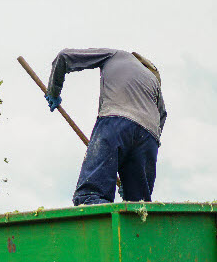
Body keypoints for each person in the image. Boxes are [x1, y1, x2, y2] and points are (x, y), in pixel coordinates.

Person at [45, 48, 167, 205]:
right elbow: (162, 116)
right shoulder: (153, 80)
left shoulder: (117, 55)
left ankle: (92, 205)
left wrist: (53, 91)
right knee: (139, 204)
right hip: (149, 137)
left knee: (91, 195)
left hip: (116, 121)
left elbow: (64, 56)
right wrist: (137, 164)